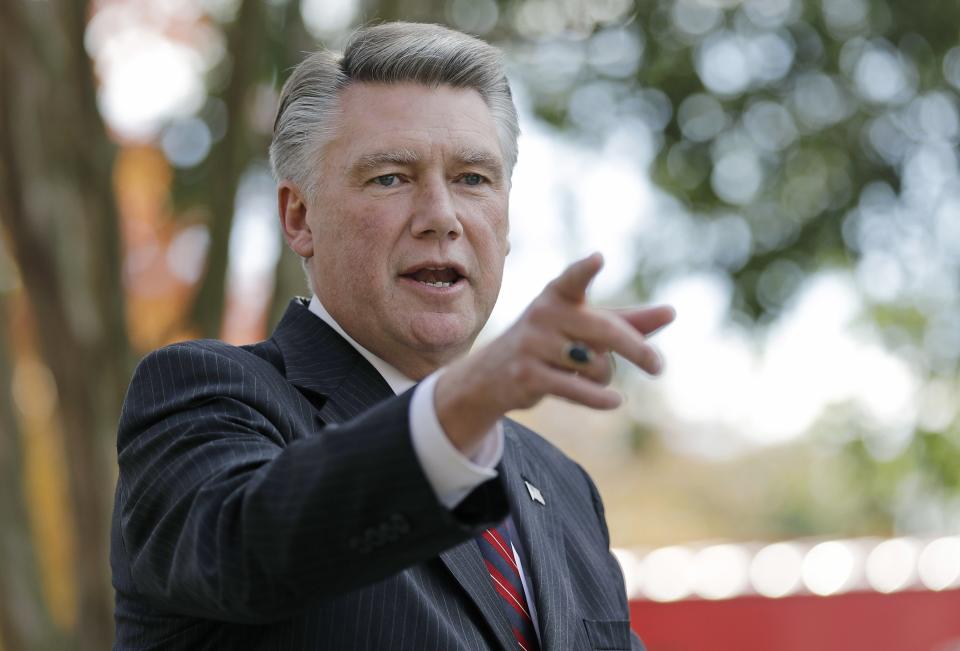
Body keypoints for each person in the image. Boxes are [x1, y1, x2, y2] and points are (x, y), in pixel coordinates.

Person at [110, 21, 674, 651]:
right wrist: (466, 401)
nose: (442, 217)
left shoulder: (564, 485)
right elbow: (249, 549)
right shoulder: (207, 396)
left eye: (473, 179)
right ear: (299, 217)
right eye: (390, 178)